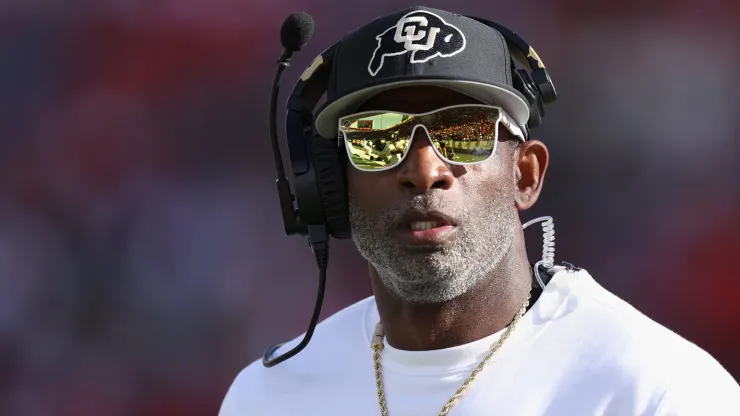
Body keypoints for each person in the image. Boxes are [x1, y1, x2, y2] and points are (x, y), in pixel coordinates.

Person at [220, 6, 740, 415]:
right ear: (331, 190)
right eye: (378, 137)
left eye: (462, 133)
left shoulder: (657, 392)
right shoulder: (267, 397)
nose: (424, 170)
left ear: (526, 175)